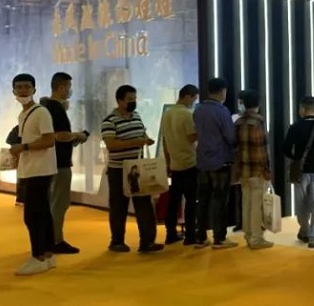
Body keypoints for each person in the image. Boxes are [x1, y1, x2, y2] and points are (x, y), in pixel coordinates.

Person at [101, 85, 163, 254]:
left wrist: (145, 140)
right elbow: (111, 145)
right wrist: (137, 142)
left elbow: (142, 135)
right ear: (119, 101)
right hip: (118, 170)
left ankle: (147, 241)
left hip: (138, 167)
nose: (133, 102)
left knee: (144, 204)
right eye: (129, 99)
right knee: (118, 206)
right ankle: (117, 241)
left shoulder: (137, 116)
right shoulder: (109, 121)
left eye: (134, 99)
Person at [9, 73, 58, 275]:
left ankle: (38, 256)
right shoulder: (24, 114)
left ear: (34, 89)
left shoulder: (41, 112)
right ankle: (47, 254)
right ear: (13, 91)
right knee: (43, 213)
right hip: (32, 169)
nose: (23, 91)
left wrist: (24, 147)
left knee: (33, 216)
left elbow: (49, 140)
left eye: (26, 87)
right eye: (19, 87)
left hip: (40, 170)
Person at [40, 72, 88, 255]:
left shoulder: (45, 107)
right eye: (68, 87)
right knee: (59, 203)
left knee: (52, 202)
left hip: (50, 162)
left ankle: (47, 239)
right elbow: (60, 135)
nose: (70, 91)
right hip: (60, 163)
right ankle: (56, 240)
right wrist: (77, 135)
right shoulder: (55, 109)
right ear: (61, 87)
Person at [194, 77, 237, 249]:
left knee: (202, 199)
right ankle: (219, 238)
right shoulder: (222, 111)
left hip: (202, 160)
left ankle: (200, 237)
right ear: (223, 91)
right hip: (220, 161)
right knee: (219, 199)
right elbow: (230, 137)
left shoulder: (198, 110)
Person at [284, 96, 314, 248]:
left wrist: (296, 158)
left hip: (301, 171)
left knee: (301, 204)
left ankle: (304, 231)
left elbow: (286, 148)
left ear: (302, 109)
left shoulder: (295, 126)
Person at [161, 84, 199, 245]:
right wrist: (202, 131)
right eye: (194, 99)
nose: (193, 103)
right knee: (191, 201)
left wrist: (168, 162)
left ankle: (170, 233)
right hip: (189, 162)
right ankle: (190, 235)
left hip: (175, 163)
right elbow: (191, 137)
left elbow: (164, 141)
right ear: (187, 97)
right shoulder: (186, 114)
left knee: (173, 201)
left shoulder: (167, 114)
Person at [234, 90, 273, 249]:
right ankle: (257, 238)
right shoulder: (258, 121)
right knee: (257, 204)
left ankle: (249, 234)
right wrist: (267, 169)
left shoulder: (238, 122)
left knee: (246, 202)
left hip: (243, 168)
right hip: (257, 168)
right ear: (258, 103)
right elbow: (262, 148)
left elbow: (236, 147)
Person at [230, 91, 248, 233]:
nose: (240, 104)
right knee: (238, 193)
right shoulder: (233, 118)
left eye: (242, 102)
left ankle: (253, 221)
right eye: (239, 102)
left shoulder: (256, 119)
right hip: (237, 161)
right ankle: (240, 221)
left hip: (250, 161)